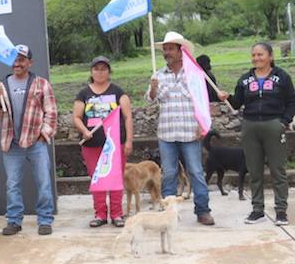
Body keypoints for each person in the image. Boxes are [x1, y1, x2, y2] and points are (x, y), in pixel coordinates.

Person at [217, 42, 295, 226]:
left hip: (274, 125)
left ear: (270, 56)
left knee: (278, 170)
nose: (256, 58)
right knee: (254, 170)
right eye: (253, 55)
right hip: (250, 126)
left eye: (260, 55)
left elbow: (292, 100)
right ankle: (257, 209)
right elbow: (237, 103)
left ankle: (281, 211)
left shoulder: (282, 77)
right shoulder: (245, 79)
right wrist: (226, 97)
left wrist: (284, 121)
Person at [147, 31, 215, 226]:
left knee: (195, 171)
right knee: (168, 173)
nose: (166, 52)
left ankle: (203, 210)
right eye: (165, 49)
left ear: (180, 50)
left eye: (170, 48)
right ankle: (169, 212)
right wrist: (153, 88)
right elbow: (151, 100)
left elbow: (202, 101)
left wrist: (202, 126)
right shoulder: (158, 75)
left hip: (189, 132)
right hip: (167, 133)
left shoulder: (194, 74)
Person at [0, 44, 57, 236]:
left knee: (43, 182)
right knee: (12, 184)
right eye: (14, 59)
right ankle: (14, 221)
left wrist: (44, 134)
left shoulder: (41, 84)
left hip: (36, 142)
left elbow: (51, 111)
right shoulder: (0, 85)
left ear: (29, 62)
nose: (17, 63)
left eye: (21, 59)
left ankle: (45, 219)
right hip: (12, 143)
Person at [73, 56, 133, 228]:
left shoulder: (118, 92)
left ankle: (116, 214)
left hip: (115, 144)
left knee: (115, 177)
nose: (100, 72)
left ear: (109, 71)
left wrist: (129, 140)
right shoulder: (83, 93)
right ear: (91, 72)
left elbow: (128, 117)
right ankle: (100, 213)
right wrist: (84, 131)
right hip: (92, 144)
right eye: (96, 69)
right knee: (96, 178)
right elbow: (76, 117)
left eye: (103, 69)